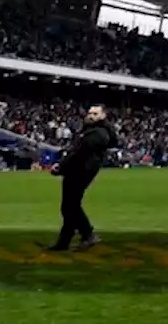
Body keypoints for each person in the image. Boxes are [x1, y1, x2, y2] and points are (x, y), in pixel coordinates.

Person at [47, 105, 119, 252]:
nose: (91, 115)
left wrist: (60, 167)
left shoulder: (97, 133)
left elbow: (77, 153)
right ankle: (65, 240)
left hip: (80, 171)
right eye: (90, 112)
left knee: (70, 206)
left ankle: (87, 234)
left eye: (95, 113)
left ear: (103, 116)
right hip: (82, 171)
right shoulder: (96, 132)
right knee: (70, 206)